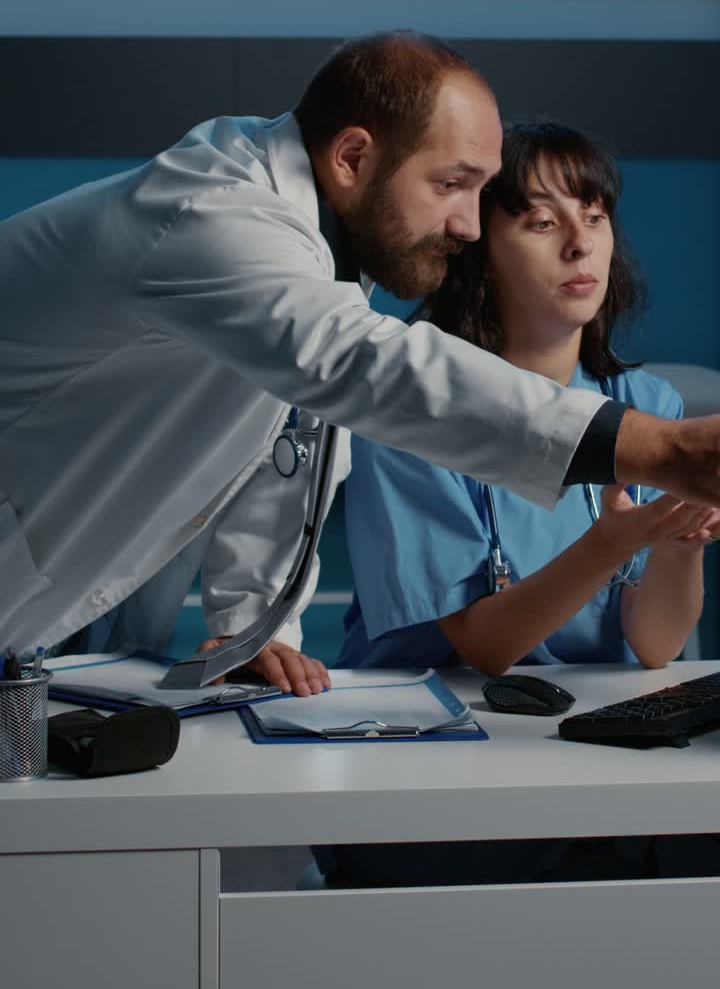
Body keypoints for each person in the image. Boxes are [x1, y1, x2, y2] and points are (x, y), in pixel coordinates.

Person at [1, 35, 720, 696]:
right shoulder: (214, 215)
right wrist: (662, 447)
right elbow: (361, 366)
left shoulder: (329, 249)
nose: (468, 225)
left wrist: (251, 627)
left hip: (60, 599)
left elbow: (281, 447)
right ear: (352, 158)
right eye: (451, 184)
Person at [318, 119, 720, 886]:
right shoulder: (414, 409)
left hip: (584, 758)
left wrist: (676, 542)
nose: (580, 244)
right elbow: (485, 648)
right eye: (542, 221)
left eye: (594, 217)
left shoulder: (645, 403)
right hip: (426, 768)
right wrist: (612, 541)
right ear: (477, 254)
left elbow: (656, 647)